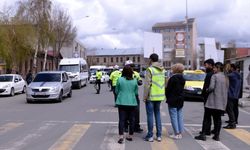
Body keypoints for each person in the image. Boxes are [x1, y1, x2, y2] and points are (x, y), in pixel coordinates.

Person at [197, 62, 229, 141]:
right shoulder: (226, 77)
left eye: (214, 68)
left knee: (207, 118)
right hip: (222, 102)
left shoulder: (214, 76)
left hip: (212, 101)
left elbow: (211, 87)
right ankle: (216, 136)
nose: (213, 69)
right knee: (218, 119)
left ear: (218, 68)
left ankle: (203, 135)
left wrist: (207, 90)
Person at [144, 53, 165, 142]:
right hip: (159, 96)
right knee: (157, 115)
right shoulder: (163, 70)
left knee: (150, 115)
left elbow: (147, 85)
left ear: (151, 59)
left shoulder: (150, 69)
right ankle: (159, 135)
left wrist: (145, 96)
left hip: (151, 96)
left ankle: (150, 136)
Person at [115, 65, 138, 144]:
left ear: (123, 72)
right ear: (131, 72)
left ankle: (121, 136)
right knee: (132, 120)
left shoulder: (120, 79)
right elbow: (136, 92)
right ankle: (130, 135)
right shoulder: (134, 80)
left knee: (121, 120)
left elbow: (116, 90)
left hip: (122, 102)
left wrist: (121, 95)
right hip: (132, 102)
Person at [195, 59, 215, 140]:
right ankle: (207, 130)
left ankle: (203, 134)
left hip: (208, 97)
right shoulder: (213, 73)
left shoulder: (209, 74)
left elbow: (207, 86)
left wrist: (203, 94)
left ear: (210, 65)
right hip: (212, 97)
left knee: (206, 116)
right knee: (209, 115)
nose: (205, 67)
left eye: (206, 65)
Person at [165, 63, 186, 139]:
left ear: (175, 69)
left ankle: (176, 133)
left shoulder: (172, 78)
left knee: (173, 116)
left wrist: (167, 97)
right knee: (179, 115)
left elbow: (168, 90)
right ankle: (180, 132)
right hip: (180, 99)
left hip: (173, 99)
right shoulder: (182, 78)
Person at [124, 60, 143, 133]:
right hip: (126, 95)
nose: (131, 67)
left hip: (134, 95)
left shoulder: (136, 74)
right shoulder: (122, 74)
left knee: (136, 111)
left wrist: (139, 82)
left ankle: (136, 126)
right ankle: (125, 126)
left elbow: (140, 82)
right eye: (129, 66)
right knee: (125, 111)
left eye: (132, 66)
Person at [224, 64, 241, 129]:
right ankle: (233, 121)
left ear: (232, 68)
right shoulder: (238, 75)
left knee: (230, 110)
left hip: (231, 94)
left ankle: (232, 123)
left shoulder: (232, 75)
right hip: (236, 95)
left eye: (230, 67)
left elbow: (224, 76)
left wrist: (226, 70)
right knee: (233, 109)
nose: (229, 68)